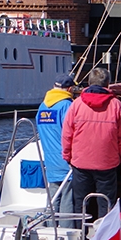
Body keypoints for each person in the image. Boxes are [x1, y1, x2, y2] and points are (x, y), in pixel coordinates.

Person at [62, 67, 121, 221]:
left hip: (80, 163)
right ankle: (104, 238)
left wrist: (67, 156)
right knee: (106, 205)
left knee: (80, 205)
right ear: (108, 84)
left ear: (89, 83)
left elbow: (67, 134)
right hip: (107, 164)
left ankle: (81, 239)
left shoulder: (76, 105)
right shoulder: (116, 106)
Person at [36, 73, 76, 227]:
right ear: (70, 88)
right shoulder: (67, 106)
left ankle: (48, 232)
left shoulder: (43, 106)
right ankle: (66, 237)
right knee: (67, 200)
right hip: (66, 160)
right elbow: (71, 132)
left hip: (50, 161)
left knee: (52, 200)